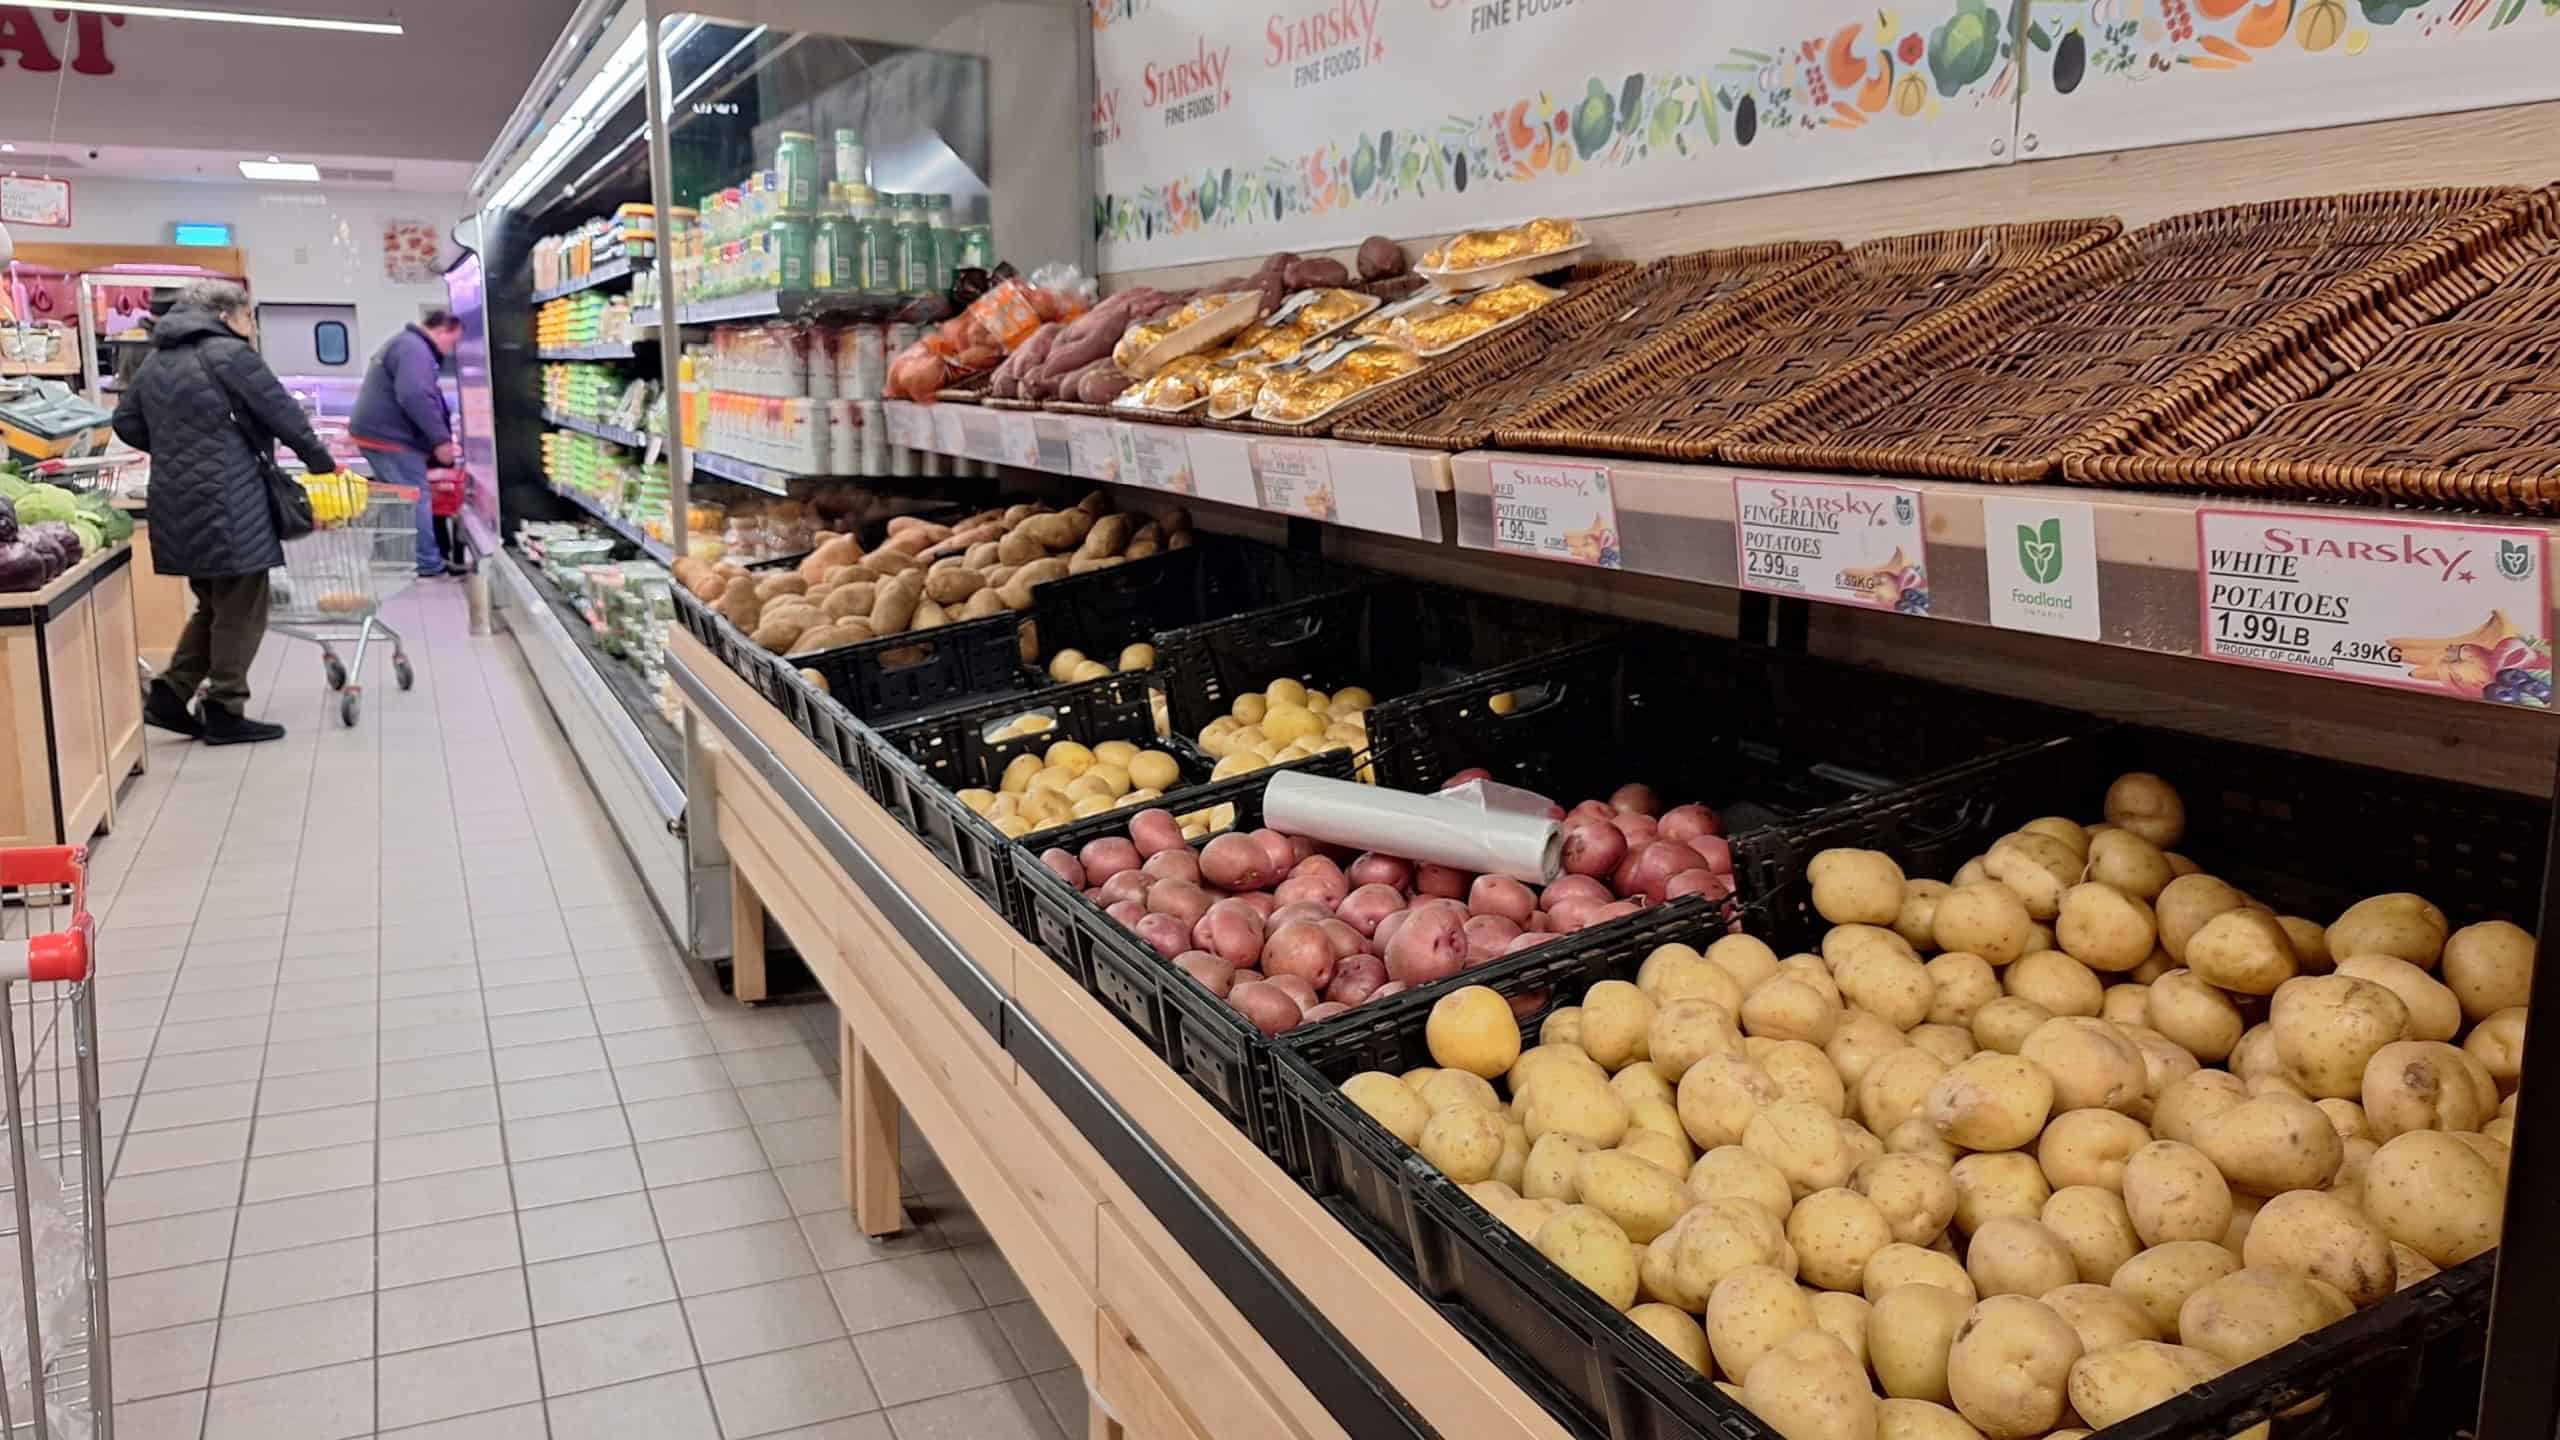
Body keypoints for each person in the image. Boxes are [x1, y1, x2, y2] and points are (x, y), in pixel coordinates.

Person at [111, 278, 337, 746]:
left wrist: (178, 448)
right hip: (232, 500)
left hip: (175, 500)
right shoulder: (230, 355)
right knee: (244, 606)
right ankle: (225, 709)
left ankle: (171, 695)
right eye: (247, 317)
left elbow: (126, 422)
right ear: (224, 316)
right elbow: (284, 415)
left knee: (214, 603)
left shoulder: (157, 361)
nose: (250, 326)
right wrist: (321, 462)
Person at [351, 307, 463, 577]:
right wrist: (440, 441)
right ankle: (425, 562)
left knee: (395, 498)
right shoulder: (414, 349)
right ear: (441, 330)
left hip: (377, 434)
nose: (452, 349)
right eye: (454, 340)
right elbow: (415, 395)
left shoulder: (406, 344)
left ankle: (390, 557)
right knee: (414, 496)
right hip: (391, 438)